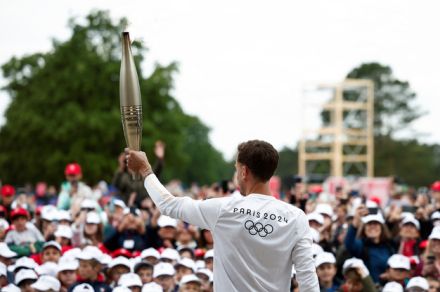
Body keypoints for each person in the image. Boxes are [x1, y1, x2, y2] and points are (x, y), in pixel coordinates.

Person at [126, 139, 319, 291]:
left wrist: (145, 169)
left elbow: (169, 205)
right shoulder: (296, 217)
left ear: (244, 171)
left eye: (236, 168)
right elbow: (308, 282)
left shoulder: (224, 209)